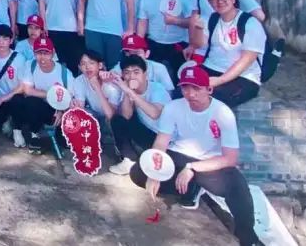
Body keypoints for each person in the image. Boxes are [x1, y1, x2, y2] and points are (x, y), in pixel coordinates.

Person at [128, 65, 258, 246]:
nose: (190, 94)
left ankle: (248, 238)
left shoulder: (222, 113)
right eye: (185, 88)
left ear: (208, 89)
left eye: (196, 88)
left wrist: (192, 168)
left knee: (237, 186)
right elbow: (161, 143)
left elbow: (230, 158)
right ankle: (191, 189)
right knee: (139, 173)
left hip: (208, 162)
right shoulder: (173, 107)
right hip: (179, 155)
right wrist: (155, 172)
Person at [196, 0, 265, 108]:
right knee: (183, 91)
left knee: (212, 100)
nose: (219, 1)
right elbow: (200, 44)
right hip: (212, 67)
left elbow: (247, 59)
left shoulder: (250, 23)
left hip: (243, 76)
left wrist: (220, 80)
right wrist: (197, 28)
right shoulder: (213, 19)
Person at [108, 54, 172, 175]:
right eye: (127, 73)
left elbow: (154, 113)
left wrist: (130, 92)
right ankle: (129, 160)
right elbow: (126, 116)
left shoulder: (157, 88)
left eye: (136, 72)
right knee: (117, 120)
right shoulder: (128, 89)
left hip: (163, 140)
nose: (131, 76)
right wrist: (127, 92)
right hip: (145, 131)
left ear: (145, 74)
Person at [136, 0, 196, 79]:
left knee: (180, 78)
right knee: (156, 78)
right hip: (155, 44)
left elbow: (193, 22)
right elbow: (142, 23)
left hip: (178, 45)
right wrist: (139, 46)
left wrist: (176, 21)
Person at [16, 36, 72, 154]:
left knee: (64, 141)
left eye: (46, 53)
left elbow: (71, 97)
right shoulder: (30, 65)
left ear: (53, 53)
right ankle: (34, 134)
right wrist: (51, 95)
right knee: (30, 101)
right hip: (42, 107)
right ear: (34, 53)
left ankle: (60, 134)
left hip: (61, 110)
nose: (42, 57)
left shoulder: (63, 72)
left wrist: (61, 110)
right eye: (38, 53)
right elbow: (28, 90)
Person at [0, 24, 31, 148]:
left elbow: (23, 86)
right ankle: (7, 121)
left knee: (17, 100)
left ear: (11, 41)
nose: (1, 42)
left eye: (5, 39)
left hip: (15, 97)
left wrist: (3, 98)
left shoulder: (19, 59)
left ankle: (17, 131)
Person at [109, 34, 175, 93]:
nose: (132, 56)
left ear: (147, 53)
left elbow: (168, 93)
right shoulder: (121, 66)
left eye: (136, 52)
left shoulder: (159, 68)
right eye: (128, 53)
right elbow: (109, 76)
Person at [71, 50, 121, 123]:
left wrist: (97, 87)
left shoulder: (111, 82)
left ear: (100, 65)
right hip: (96, 114)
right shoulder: (79, 81)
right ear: (80, 67)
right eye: (83, 64)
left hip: (116, 117)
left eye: (91, 63)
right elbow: (80, 108)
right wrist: (74, 106)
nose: (87, 67)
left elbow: (111, 116)